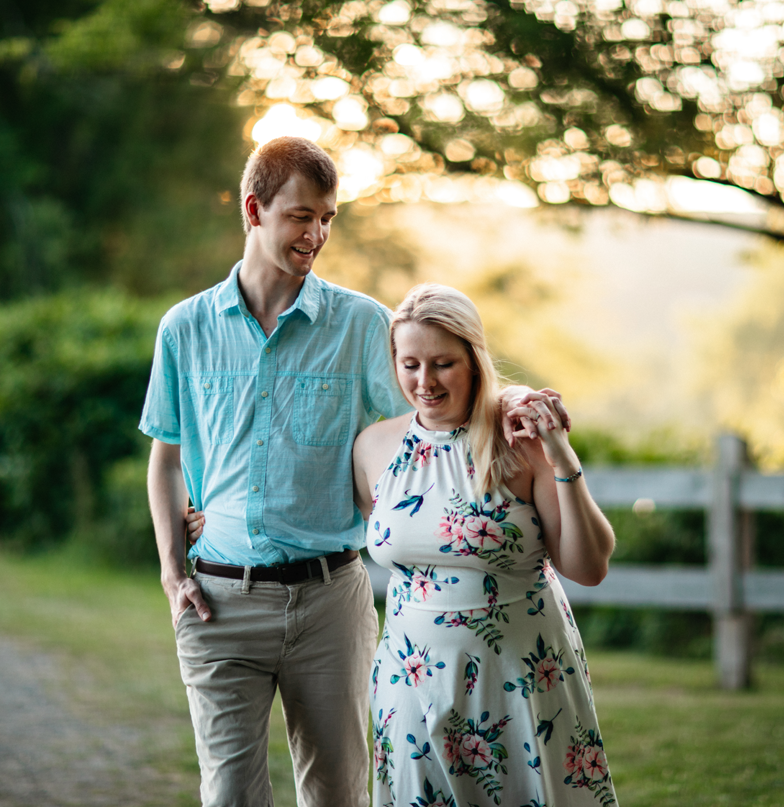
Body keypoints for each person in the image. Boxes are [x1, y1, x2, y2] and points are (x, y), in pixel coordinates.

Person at [143, 136, 567, 806]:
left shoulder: (364, 325)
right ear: (254, 210)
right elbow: (166, 455)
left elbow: (440, 403)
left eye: (327, 218)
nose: (315, 233)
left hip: (329, 603)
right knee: (227, 794)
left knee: (338, 792)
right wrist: (173, 571)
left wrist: (509, 397)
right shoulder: (184, 328)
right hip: (219, 601)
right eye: (300, 216)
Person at [351, 284, 618, 807]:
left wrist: (562, 460)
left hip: (517, 678)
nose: (424, 382)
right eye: (410, 364)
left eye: (442, 363)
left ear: (474, 360)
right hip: (410, 681)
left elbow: (588, 568)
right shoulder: (373, 447)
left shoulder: (519, 440)